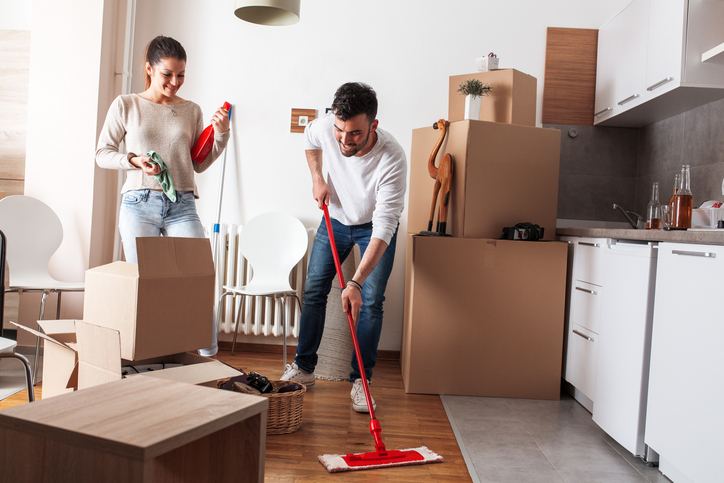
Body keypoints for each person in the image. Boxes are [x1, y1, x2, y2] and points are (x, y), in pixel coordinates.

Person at [281, 82, 407, 413]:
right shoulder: (327, 126)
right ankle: (304, 368)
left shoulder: (391, 158)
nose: (344, 140)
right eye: (340, 130)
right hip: (334, 219)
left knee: (371, 302)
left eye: (354, 134)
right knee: (313, 291)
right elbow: (310, 141)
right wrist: (317, 178)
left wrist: (355, 282)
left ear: (373, 126)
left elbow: (384, 227)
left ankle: (360, 383)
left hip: (373, 229)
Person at [95, 35, 230, 263]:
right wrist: (135, 161)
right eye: (167, 74)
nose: (175, 81)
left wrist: (221, 134)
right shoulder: (126, 105)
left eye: (181, 75)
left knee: (195, 274)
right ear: (149, 69)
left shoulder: (192, 110)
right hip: (139, 203)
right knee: (144, 281)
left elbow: (198, 164)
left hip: (182, 204)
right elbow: (102, 154)